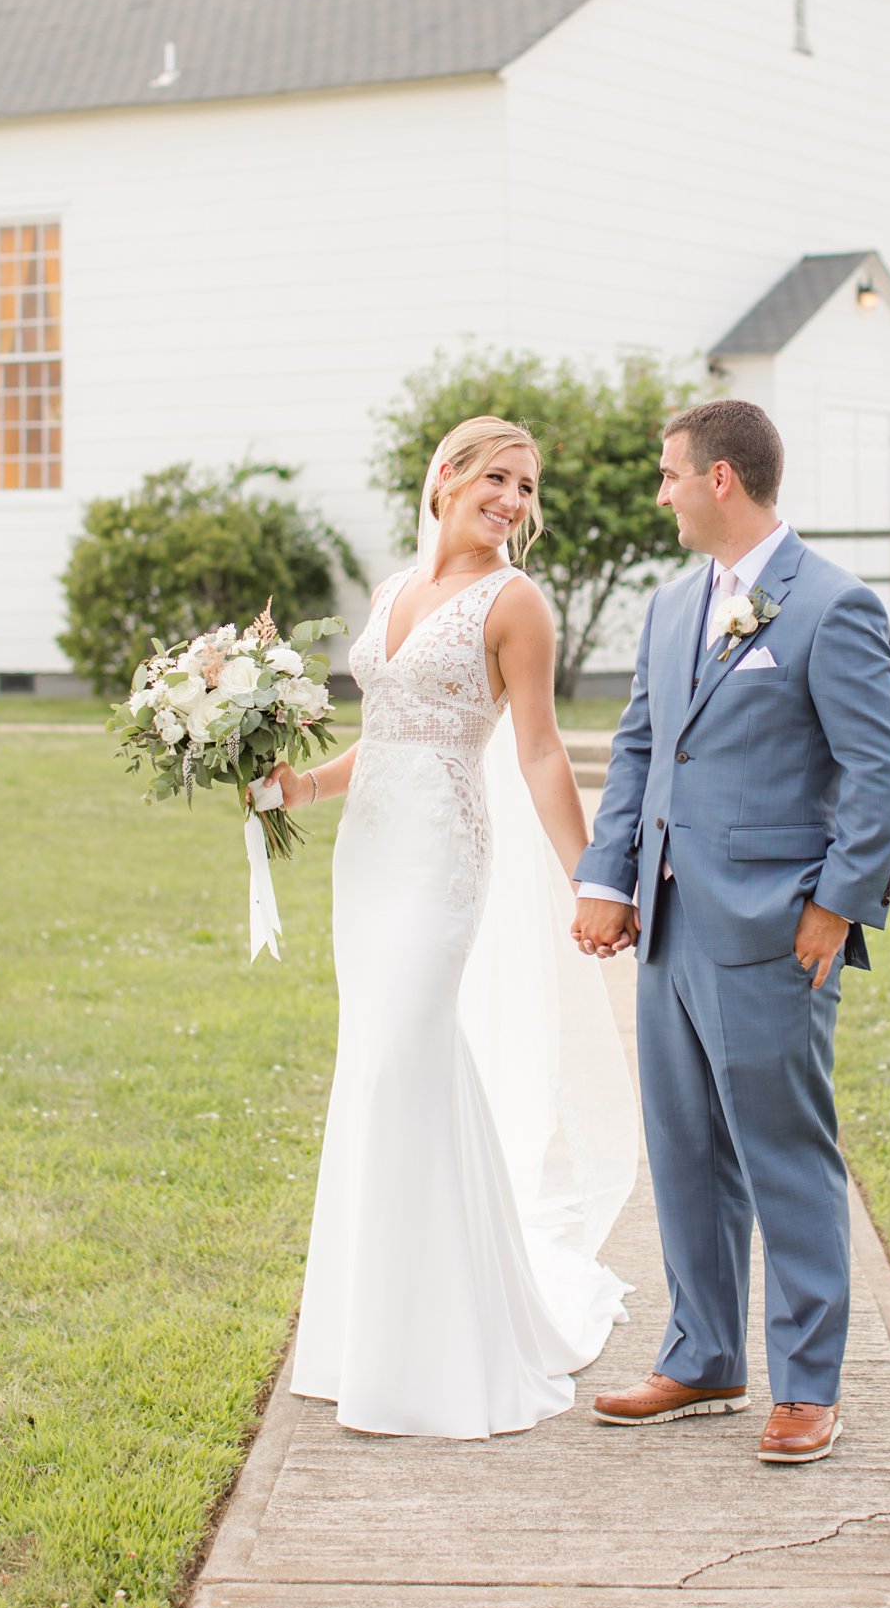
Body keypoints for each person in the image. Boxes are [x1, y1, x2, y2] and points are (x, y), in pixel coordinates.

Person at [266, 416, 634, 1439]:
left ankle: (440, 1350)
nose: (513, 501)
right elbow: (382, 737)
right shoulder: (392, 589)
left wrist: (591, 879)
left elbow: (540, 755)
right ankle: (363, 1337)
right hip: (369, 857)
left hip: (439, 860)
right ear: (447, 476)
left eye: (525, 488)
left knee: (402, 1060)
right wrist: (298, 788)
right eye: (498, 479)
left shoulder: (515, 604)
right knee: (371, 1070)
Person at [572, 399, 890, 1464]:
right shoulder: (672, 608)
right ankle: (704, 1355)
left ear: (720, 478)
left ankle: (807, 1385)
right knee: (683, 1152)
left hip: (774, 932)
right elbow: (637, 751)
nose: (660, 492)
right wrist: (607, 877)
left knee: (782, 1155)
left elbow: (879, 770)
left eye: (669, 474)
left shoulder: (830, 605)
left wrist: (833, 903)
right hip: (668, 926)